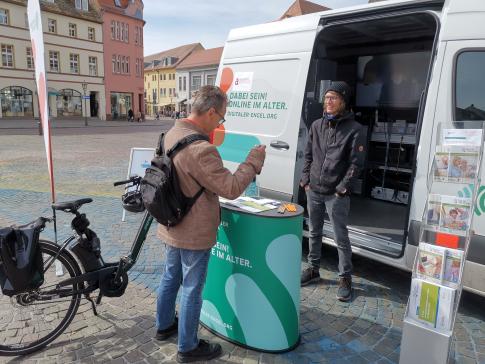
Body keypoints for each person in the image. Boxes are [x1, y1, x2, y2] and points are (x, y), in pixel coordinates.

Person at [155, 85, 266, 363]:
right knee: (192, 286)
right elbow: (230, 187)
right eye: (221, 117)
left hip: (171, 221)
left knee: (170, 277)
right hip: (193, 230)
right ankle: (188, 347)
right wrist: (252, 162)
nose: (220, 123)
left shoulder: (171, 133)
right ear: (211, 111)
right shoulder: (201, 148)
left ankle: (164, 325)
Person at [300, 81, 364, 302]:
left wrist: (341, 189)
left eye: (333, 97)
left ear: (343, 102)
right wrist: (305, 180)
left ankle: (345, 277)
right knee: (314, 232)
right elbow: (307, 155)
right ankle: (313, 268)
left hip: (336, 194)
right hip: (314, 190)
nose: (328, 101)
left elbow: (356, 164)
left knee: (340, 238)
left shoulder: (355, 129)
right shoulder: (317, 125)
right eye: (326, 97)